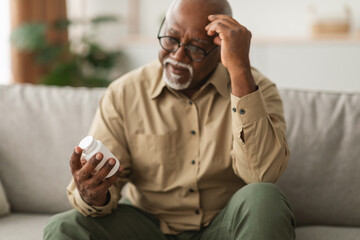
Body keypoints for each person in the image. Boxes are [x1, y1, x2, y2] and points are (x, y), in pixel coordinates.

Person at [44, 0, 295, 239]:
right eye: (171, 39)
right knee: (63, 228)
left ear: (220, 50)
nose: (178, 56)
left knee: (265, 197)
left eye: (196, 47)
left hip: (223, 226)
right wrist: (93, 195)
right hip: (148, 227)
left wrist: (240, 70)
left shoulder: (255, 89)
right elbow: (108, 183)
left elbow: (262, 174)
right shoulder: (125, 93)